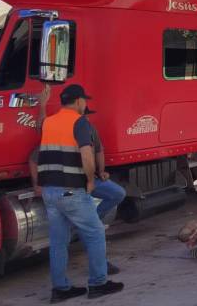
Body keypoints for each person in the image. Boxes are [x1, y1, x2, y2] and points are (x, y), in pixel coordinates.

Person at [37, 84, 123, 302]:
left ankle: (60, 289)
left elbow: (40, 125)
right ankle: (98, 284)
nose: (85, 103)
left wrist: (42, 106)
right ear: (77, 101)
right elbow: (87, 155)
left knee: (58, 242)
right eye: (84, 100)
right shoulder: (80, 122)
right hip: (71, 190)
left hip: (49, 190)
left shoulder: (50, 121)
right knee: (95, 234)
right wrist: (91, 180)